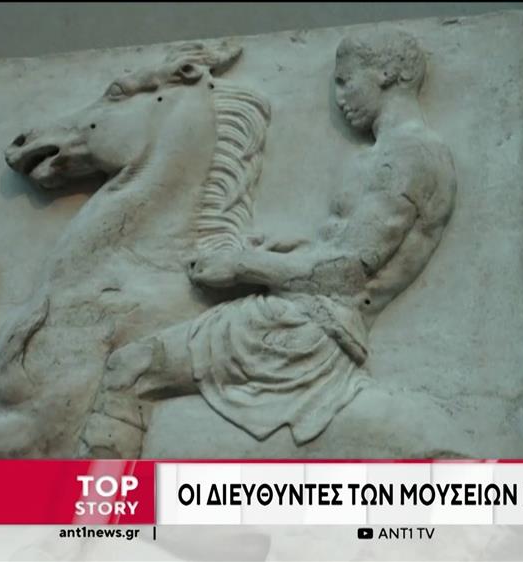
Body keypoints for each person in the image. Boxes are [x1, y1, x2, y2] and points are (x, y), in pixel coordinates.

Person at [84, 28, 456, 456]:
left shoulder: (406, 156)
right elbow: (349, 248)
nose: (339, 97)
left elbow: (348, 272)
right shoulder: (390, 154)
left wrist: (243, 266)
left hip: (308, 327)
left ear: (385, 74)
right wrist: (288, 248)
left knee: (128, 367)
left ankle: (93, 498)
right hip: (309, 311)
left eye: (345, 81)